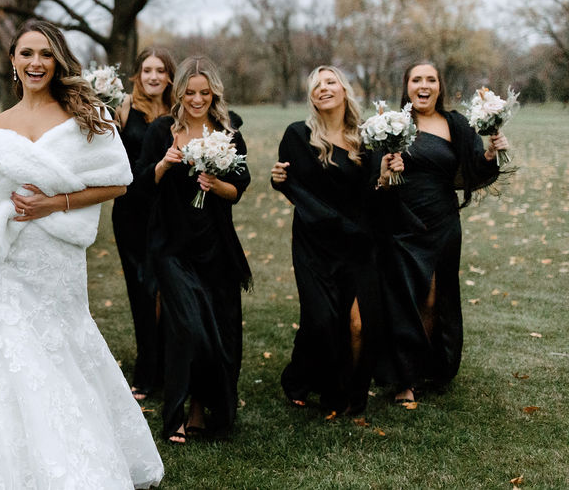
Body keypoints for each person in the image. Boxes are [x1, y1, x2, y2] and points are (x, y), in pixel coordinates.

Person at [0, 20, 163, 489]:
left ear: (57, 60)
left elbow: (119, 181)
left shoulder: (86, 119)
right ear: (12, 61)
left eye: (45, 54)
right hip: (8, 262)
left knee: (60, 349)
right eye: (26, 54)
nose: (35, 63)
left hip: (56, 257)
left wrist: (55, 203)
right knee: (2, 353)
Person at [269, 65, 402, 415]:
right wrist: (278, 180)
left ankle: (352, 394)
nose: (323, 88)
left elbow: (374, 199)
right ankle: (300, 377)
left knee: (361, 323)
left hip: (359, 244)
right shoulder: (297, 135)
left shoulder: (367, 139)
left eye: (331, 82)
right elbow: (292, 186)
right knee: (322, 320)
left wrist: (386, 178)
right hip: (315, 242)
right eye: (316, 85)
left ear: (345, 91)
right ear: (311, 96)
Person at [376, 61, 509, 404]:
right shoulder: (391, 124)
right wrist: (388, 172)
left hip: (443, 222)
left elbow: (472, 172)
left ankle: (427, 367)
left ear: (440, 86)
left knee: (437, 298)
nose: (424, 85)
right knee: (409, 295)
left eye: (430, 79)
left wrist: (491, 152)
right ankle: (404, 377)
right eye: (416, 79)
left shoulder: (455, 124)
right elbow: (376, 179)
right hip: (401, 221)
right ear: (406, 86)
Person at [135, 56, 251, 444]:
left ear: (214, 92)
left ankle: (202, 411)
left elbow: (238, 189)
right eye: (190, 92)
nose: (197, 99)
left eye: (205, 92)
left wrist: (214, 184)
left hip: (216, 247)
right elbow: (139, 186)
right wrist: (164, 165)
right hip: (171, 245)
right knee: (189, 328)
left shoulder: (228, 133)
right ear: (178, 91)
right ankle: (175, 415)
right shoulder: (160, 131)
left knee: (219, 332)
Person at [113, 47, 176, 402]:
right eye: (147, 70)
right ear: (137, 74)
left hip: (168, 211)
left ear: (169, 76)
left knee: (167, 288)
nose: (153, 76)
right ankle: (146, 369)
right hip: (131, 211)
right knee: (141, 290)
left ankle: (169, 364)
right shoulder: (123, 110)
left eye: (160, 70)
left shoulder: (179, 110)